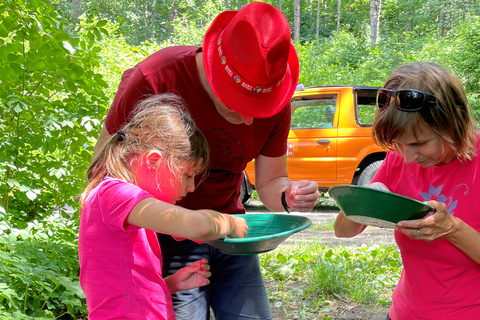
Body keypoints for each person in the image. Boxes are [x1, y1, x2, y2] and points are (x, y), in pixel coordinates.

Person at [92, 2, 320, 319]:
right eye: (237, 105)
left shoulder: (274, 97)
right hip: (164, 232)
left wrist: (286, 196)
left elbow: (269, 181)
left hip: (236, 241)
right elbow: (104, 170)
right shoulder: (155, 79)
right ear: (213, 73)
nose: (248, 122)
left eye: (260, 108)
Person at [79, 94, 248, 320]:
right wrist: (228, 221)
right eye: (187, 175)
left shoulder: (127, 209)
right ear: (153, 161)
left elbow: (121, 291)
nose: (191, 187)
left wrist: (168, 284)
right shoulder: (115, 194)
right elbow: (198, 226)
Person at [334, 62, 480, 319]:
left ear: (452, 124)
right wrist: (363, 198)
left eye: (419, 143)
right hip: (404, 312)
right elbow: (343, 231)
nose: (408, 158)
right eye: (398, 144)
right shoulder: (397, 158)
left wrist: (452, 229)